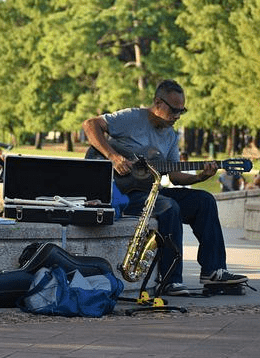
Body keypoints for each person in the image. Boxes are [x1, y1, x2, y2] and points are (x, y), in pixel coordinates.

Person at [82, 79, 248, 296]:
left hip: (151, 194)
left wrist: (200, 176)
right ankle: (170, 279)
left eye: (182, 111)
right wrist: (113, 157)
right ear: (158, 102)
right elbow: (89, 125)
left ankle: (214, 271)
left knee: (204, 201)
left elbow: (176, 177)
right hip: (122, 193)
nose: (177, 116)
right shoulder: (132, 117)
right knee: (169, 207)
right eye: (174, 110)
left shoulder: (170, 135)